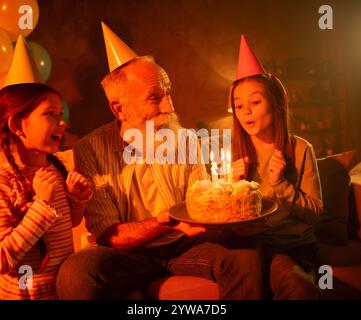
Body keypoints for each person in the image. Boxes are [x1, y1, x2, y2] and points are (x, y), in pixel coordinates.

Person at [56, 23, 263, 300]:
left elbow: (197, 208)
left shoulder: (187, 140)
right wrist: (162, 223)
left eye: (168, 93)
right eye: (155, 98)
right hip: (126, 255)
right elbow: (107, 232)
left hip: (184, 245)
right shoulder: (90, 149)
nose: (170, 107)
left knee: (245, 255)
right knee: (76, 272)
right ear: (119, 109)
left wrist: (228, 208)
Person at [0, 36, 92, 299]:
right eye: (49, 114)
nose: (61, 123)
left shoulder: (57, 169)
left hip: (61, 293)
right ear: (18, 125)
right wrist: (42, 204)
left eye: (60, 114)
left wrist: (78, 199)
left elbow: (69, 223)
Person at [229, 35, 324, 299]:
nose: (246, 111)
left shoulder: (301, 149)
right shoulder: (236, 154)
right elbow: (231, 222)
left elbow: (315, 213)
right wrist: (233, 187)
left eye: (255, 102)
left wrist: (282, 184)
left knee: (296, 286)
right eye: (239, 105)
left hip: (292, 248)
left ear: (276, 103)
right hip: (250, 248)